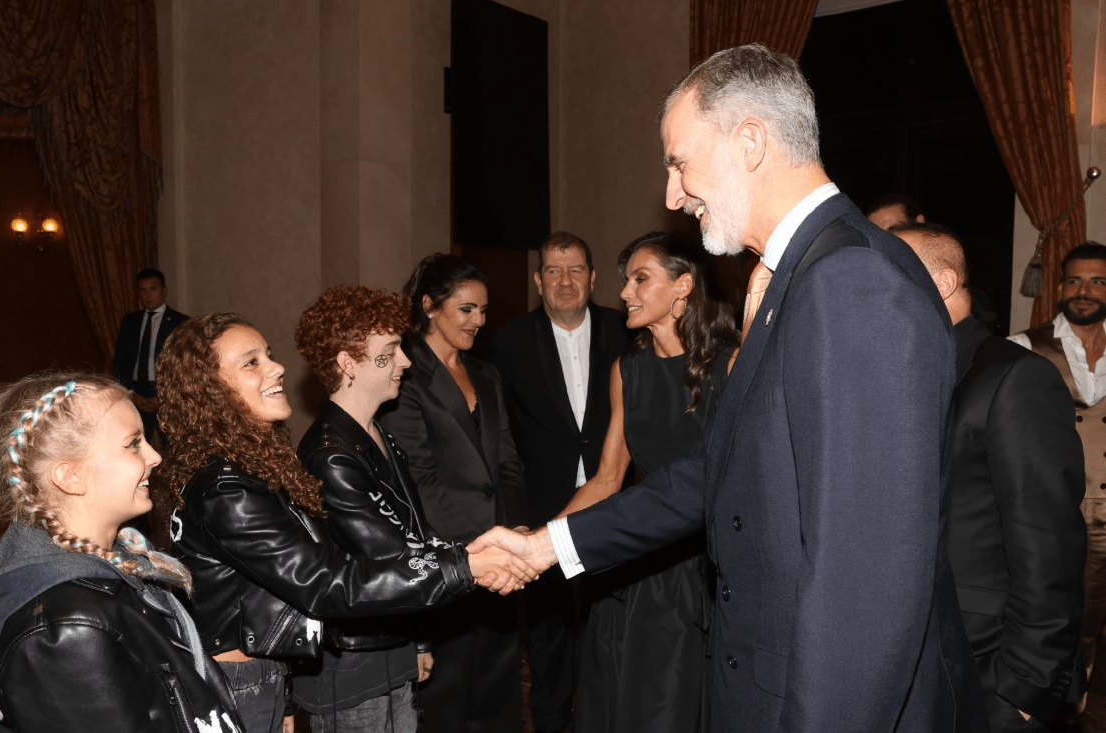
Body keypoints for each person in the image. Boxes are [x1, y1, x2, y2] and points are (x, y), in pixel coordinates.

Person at [470, 43, 985, 733]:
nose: (671, 194)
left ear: (749, 142)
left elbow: (864, 584)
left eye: (679, 161)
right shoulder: (792, 279)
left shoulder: (850, 282)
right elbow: (715, 473)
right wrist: (546, 547)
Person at [155, 312, 532, 733]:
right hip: (241, 681)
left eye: (269, 355)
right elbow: (325, 581)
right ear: (209, 390)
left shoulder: (244, 468)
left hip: (262, 673)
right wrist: (463, 565)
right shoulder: (227, 488)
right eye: (251, 363)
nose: (276, 367)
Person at [0, 372, 242, 733]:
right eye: (133, 444)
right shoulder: (66, 631)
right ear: (71, 477)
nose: (155, 456)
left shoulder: (119, 561)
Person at [898, 223, 1086, 732]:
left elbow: (1050, 550)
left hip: (990, 673)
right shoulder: (906, 373)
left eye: (890, 272)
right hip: (914, 664)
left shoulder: (1013, 376)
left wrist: (1024, 694)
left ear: (941, 283)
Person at [556, 231, 736, 733]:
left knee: (665, 709)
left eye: (641, 279)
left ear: (683, 287)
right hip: (628, 570)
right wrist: (543, 540)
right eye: (625, 281)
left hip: (695, 571)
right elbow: (607, 479)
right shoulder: (626, 369)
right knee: (610, 704)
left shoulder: (731, 365)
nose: (625, 293)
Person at [292, 285, 450, 732]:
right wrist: (472, 563)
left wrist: (417, 640)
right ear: (348, 363)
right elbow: (388, 554)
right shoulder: (329, 454)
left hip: (389, 640)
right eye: (391, 350)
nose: (405, 361)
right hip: (352, 658)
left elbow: (414, 530)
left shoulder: (378, 432)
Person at [379, 253, 526, 733]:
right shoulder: (405, 375)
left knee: (497, 696)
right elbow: (418, 482)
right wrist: (478, 552)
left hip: (498, 559)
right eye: (466, 309)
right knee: (446, 701)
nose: (478, 321)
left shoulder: (487, 374)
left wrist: (512, 534)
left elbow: (507, 461)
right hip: (445, 562)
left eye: (483, 311)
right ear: (429, 306)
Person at [490, 231, 630, 733]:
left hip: (613, 502)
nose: (565, 281)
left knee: (607, 626)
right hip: (542, 508)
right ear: (538, 281)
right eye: (553, 271)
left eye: (575, 271)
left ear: (593, 279)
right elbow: (502, 435)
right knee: (547, 637)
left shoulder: (626, 330)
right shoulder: (507, 341)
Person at [1009, 241, 1106, 701]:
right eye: (1074, 280)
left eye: (1097, 281)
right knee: (1053, 620)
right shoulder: (1022, 348)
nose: (1084, 290)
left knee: (1093, 626)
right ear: (1060, 286)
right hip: (1053, 516)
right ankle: (1055, 703)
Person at [112, 268, 189, 443]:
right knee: (133, 445)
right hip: (135, 392)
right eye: (142, 290)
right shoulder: (130, 321)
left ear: (164, 290)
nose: (148, 295)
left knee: (174, 447)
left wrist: (164, 396)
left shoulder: (181, 323)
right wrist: (130, 392)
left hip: (166, 394)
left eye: (153, 289)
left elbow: (184, 366)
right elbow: (121, 361)